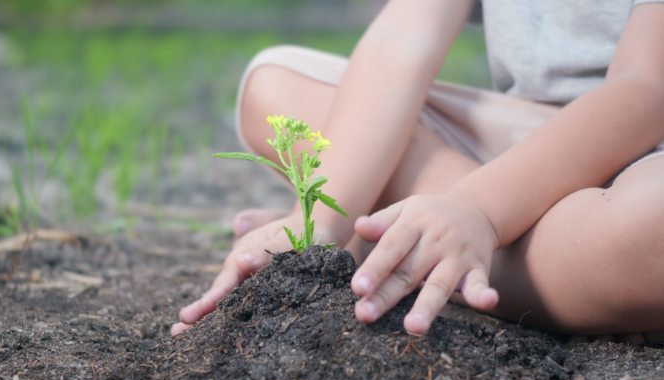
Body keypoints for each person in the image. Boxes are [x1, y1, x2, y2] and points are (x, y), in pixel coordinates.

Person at [172, 0, 664, 343]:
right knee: (274, 84)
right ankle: (443, 241)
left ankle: (392, 240)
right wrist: (323, 219)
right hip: (524, 134)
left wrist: (481, 208)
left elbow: (646, 89)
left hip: (646, 152)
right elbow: (401, 41)